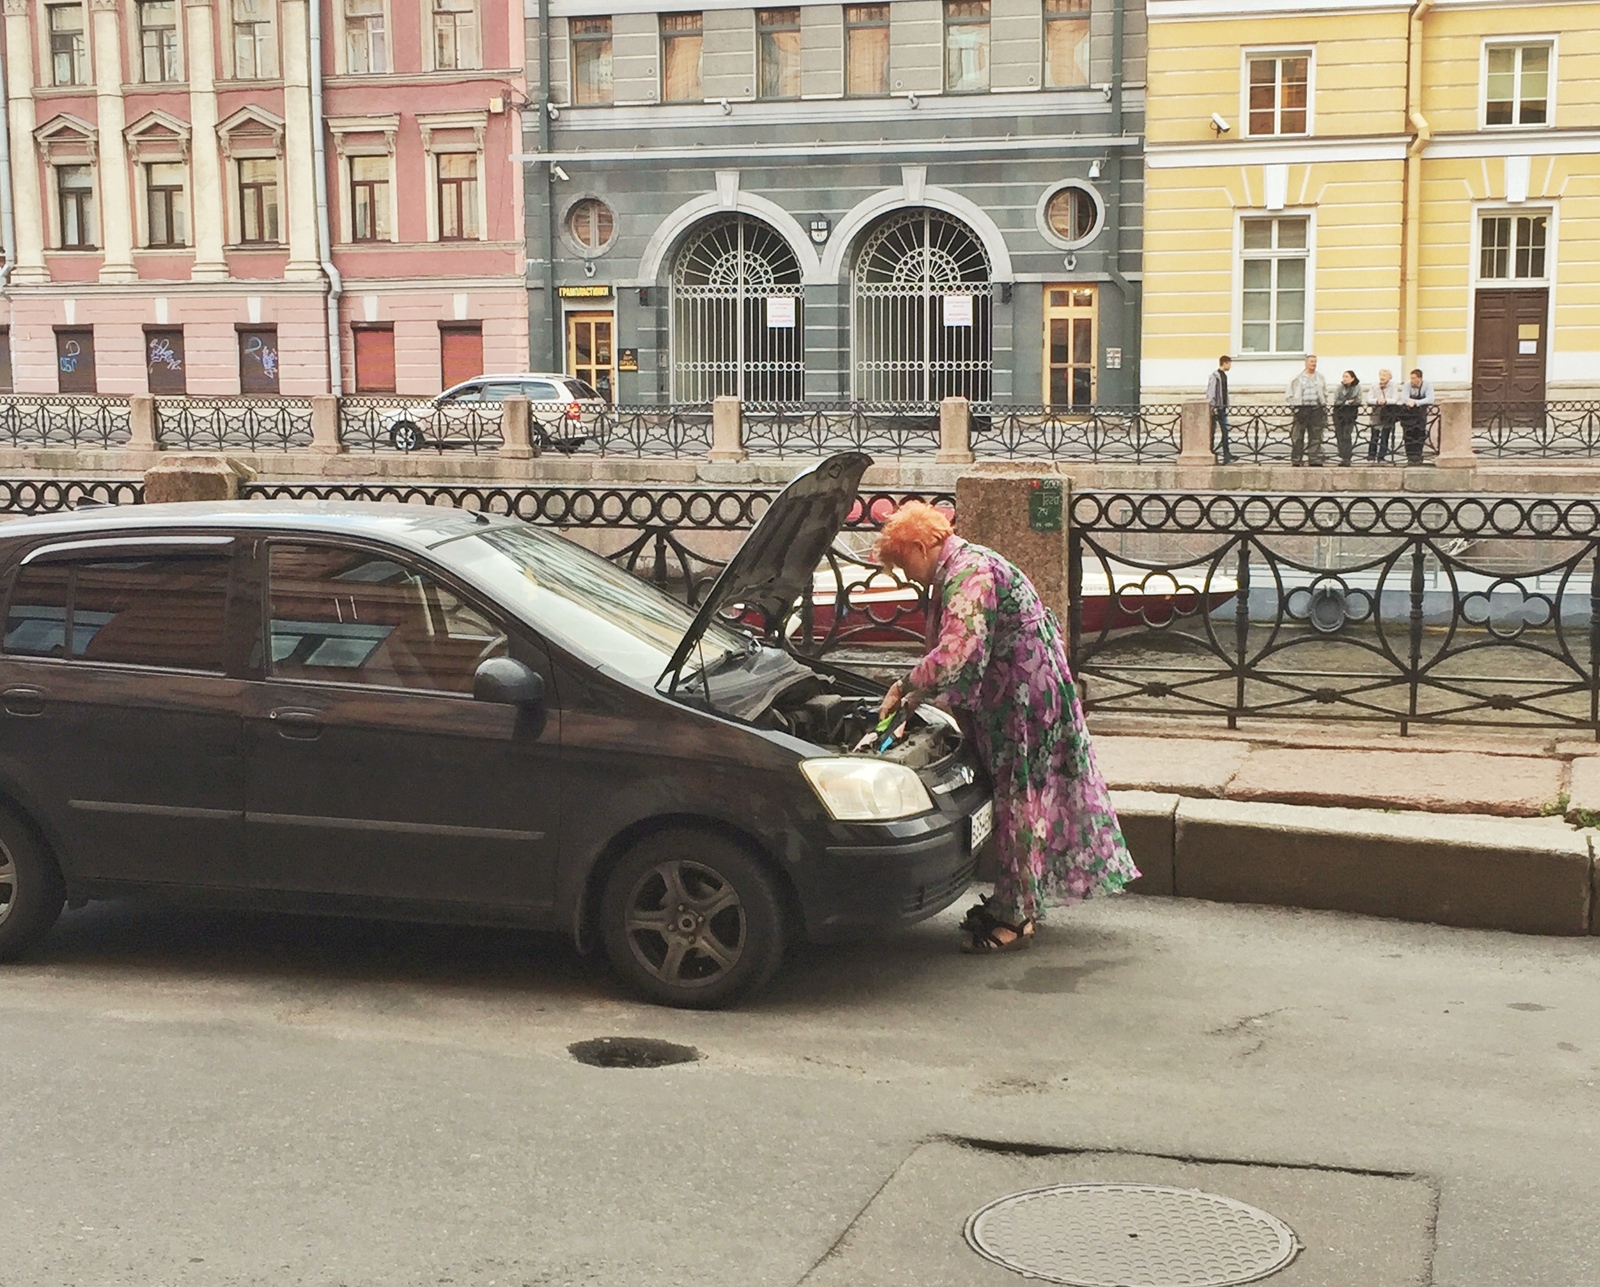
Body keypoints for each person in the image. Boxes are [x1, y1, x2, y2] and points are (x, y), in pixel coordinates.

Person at [874, 502, 1138, 954]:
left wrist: (905, 685)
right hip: (1025, 693)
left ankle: (1015, 918)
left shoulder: (969, 575)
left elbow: (957, 652)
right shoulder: (970, 562)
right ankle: (1016, 902)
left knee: (1017, 803)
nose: (905, 575)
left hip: (1021, 702)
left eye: (903, 563)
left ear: (921, 546)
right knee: (1023, 799)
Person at [1286, 354, 1329, 466]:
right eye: (1311, 362)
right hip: (1301, 409)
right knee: (1297, 436)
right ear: (1306, 363)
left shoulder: (1320, 377)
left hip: (1316, 409)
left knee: (1315, 436)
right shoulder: (1297, 378)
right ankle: (1296, 459)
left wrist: (1323, 404)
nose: (1313, 364)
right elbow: (1289, 394)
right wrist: (1294, 407)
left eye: (1315, 362)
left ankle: (1314, 459)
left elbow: (1325, 393)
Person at [1400, 367, 1434, 466]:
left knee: (1420, 433)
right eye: (1411, 378)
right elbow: (1404, 397)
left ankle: (1418, 455)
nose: (1412, 381)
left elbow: (1430, 399)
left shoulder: (1427, 385)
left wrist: (1416, 402)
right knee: (1408, 434)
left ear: (1419, 378)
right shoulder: (1407, 385)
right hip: (1408, 414)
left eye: (1413, 378)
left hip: (1420, 414)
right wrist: (1409, 402)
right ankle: (1410, 456)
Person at [1367, 368, 1402, 462]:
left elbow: (1395, 399)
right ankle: (1371, 456)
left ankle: (1381, 456)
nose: (1382, 377)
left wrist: (1386, 401)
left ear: (1389, 377)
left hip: (1388, 413)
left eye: (1385, 375)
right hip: (1376, 412)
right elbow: (1369, 399)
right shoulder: (1374, 385)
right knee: (1374, 435)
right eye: (1381, 375)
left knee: (1385, 436)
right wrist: (1377, 401)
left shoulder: (1393, 385)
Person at [1206, 355, 1236, 463]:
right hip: (1217, 408)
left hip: (1222, 407)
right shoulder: (1215, 376)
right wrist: (1212, 406)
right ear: (1224, 363)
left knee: (1225, 431)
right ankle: (1213, 452)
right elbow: (1211, 392)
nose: (1230, 366)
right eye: (1229, 363)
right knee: (1215, 431)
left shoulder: (1223, 376)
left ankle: (1226, 453)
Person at [1331, 370, 1362, 467]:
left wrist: (1346, 402)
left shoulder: (1357, 387)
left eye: (1347, 376)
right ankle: (1342, 455)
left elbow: (1358, 400)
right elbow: (1336, 400)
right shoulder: (1339, 388)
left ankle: (1347, 457)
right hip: (1338, 413)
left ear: (1353, 378)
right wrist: (1347, 401)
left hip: (1350, 414)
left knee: (1347, 435)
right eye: (1343, 376)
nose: (1344, 378)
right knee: (1339, 434)